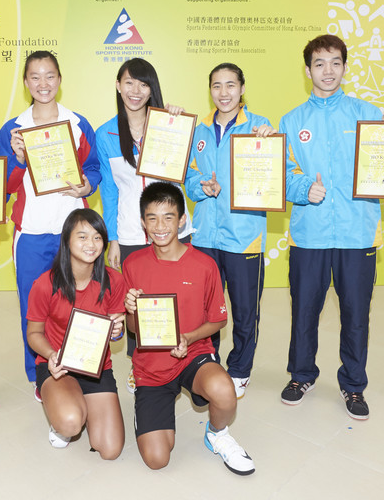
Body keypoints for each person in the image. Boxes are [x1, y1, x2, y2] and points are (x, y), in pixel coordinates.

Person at [278, 34, 384, 419]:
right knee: (304, 311)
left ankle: (354, 385)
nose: (328, 71)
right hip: (309, 235)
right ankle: (301, 375)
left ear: (345, 67)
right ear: (307, 71)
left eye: (335, 62)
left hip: (357, 233)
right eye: (319, 63)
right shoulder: (292, 120)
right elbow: (283, 174)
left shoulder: (369, 114)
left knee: (356, 313)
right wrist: (304, 188)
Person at [123, 182, 255, 476]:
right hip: (151, 366)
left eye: (168, 217)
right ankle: (147, 409)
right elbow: (134, 330)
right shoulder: (133, 264)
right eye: (152, 218)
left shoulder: (205, 265)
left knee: (224, 390)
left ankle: (217, 434)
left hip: (193, 354)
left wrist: (190, 337)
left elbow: (219, 319)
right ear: (143, 222)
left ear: (182, 219)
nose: (160, 226)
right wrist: (131, 310)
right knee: (157, 459)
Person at [0, 51, 101, 400]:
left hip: (72, 233)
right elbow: (5, 186)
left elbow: (95, 169)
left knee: (76, 302)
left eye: (50, 76)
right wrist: (17, 159)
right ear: (25, 82)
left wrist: (86, 185)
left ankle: (79, 364)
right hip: (30, 233)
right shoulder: (13, 129)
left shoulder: (78, 123)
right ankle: (39, 373)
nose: (43, 84)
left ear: (59, 79)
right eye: (35, 77)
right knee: (33, 307)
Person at [95, 58, 193, 394]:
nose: (136, 91)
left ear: (153, 88)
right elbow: (108, 190)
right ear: (118, 85)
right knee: (139, 305)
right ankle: (145, 368)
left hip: (173, 229)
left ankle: (183, 363)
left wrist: (178, 124)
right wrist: (112, 238)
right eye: (129, 83)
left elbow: (188, 173)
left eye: (144, 84)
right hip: (133, 232)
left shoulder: (170, 123)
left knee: (180, 299)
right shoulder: (105, 133)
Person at [184, 63, 274, 399]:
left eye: (231, 85)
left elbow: (272, 176)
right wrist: (200, 187)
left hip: (244, 236)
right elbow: (188, 178)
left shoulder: (260, 127)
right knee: (205, 309)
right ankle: (207, 364)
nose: (224, 93)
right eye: (217, 86)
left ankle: (239, 369)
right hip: (206, 235)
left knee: (244, 309)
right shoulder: (200, 131)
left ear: (242, 88)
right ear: (210, 90)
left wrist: (268, 142)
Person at [25, 208, 126, 457]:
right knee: (70, 422)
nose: (90, 244)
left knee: (110, 450)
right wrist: (51, 355)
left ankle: (82, 403)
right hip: (59, 365)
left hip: (97, 367)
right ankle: (62, 409)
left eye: (97, 237)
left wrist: (117, 330)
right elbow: (34, 333)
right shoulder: (45, 283)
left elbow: (117, 333)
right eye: (82, 236)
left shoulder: (114, 280)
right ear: (67, 240)